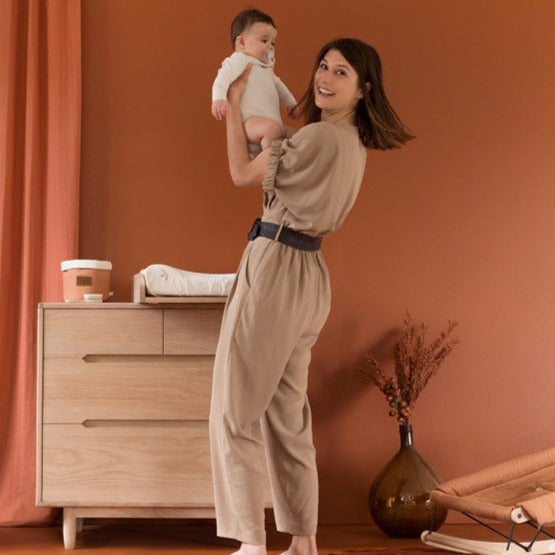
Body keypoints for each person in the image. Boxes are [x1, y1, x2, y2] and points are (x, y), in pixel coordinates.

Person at [209, 38, 414, 555]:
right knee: (288, 415)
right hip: (310, 275)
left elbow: (238, 173)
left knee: (234, 409)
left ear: (363, 89)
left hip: (276, 265)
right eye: (324, 66)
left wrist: (233, 105)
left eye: (341, 72)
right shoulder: (351, 146)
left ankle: (250, 543)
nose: (325, 77)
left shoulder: (318, 138)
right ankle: (303, 540)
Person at [211, 9, 299, 157]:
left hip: (270, 127)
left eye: (273, 43)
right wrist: (218, 99)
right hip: (250, 124)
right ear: (242, 43)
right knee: (273, 130)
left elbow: (279, 86)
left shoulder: (267, 69)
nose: (270, 47)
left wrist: (290, 103)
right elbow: (222, 77)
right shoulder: (241, 59)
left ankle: (272, 155)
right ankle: (269, 160)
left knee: (300, 136)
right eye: (264, 41)